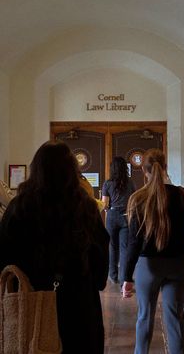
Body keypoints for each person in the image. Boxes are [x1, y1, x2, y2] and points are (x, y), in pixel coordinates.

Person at [0, 140, 109, 354]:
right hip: (79, 303)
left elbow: (4, 258)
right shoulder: (85, 207)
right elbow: (100, 262)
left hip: (32, 301)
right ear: (72, 170)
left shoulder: (19, 207)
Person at [122, 148, 184, 354]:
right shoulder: (182, 195)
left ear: (144, 171)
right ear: (164, 167)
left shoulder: (138, 198)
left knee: (144, 317)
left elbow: (133, 243)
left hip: (148, 267)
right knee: (175, 318)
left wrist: (127, 277)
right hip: (177, 265)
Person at [102, 156, 135, 286]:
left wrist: (107, 210)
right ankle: (124, 278)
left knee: (112, 247)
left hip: (112, 215)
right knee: (124, 248)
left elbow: (104, 204)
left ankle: (113, 275)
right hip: (126, 215)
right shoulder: (130, 183)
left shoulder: (107, 183)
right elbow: (134, 200)